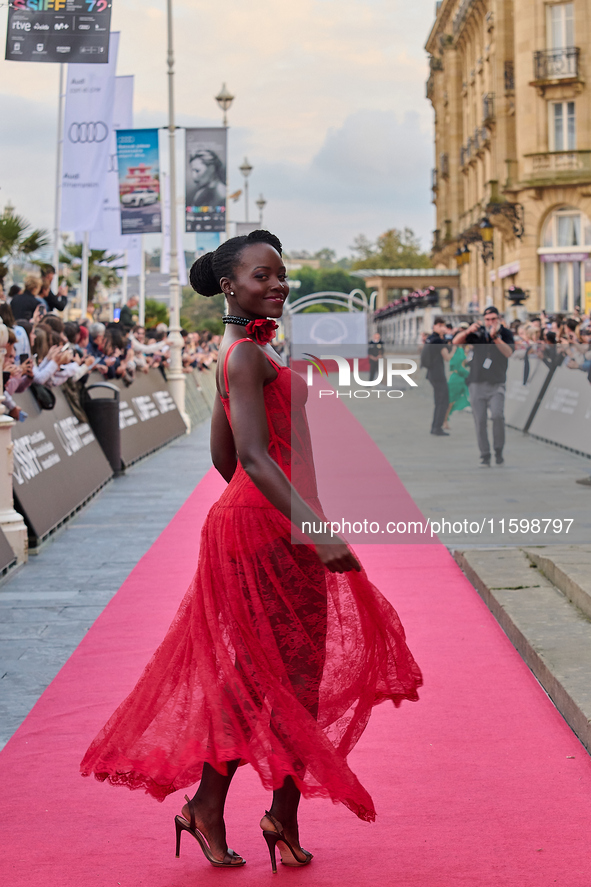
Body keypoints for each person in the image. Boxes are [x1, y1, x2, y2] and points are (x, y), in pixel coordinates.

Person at [80, 229, 422, 870]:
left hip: (264, 524)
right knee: (277, 677)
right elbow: (254, 458)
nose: (278, 285)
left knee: (287, 676)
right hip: (274, 532)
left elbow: (225, 458)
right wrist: (308, 529)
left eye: (281, 275)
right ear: (231, 286)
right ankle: (228, 810)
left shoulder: (240, 351)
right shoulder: (243, 356)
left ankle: (266, 815)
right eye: (263, 276)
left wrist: (266, 508)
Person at [452, 305, 514, 466]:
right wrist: (468, 331)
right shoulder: (478, 333)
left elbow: (508, 353)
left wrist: (495, 338)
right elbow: (455, 341)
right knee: (480, 420)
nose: (490, 322)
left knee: (497, 416)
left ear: (499, 319)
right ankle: (485, 454)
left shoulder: (505, 334)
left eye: (493, 319)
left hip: (497, 382)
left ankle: (498, 450)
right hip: (476, 382)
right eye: (487, 319)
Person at [421, 316, 450, 436]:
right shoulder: (438, 340)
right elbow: (447, 357)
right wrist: (454, 348)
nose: (442, 328)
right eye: (440, 326)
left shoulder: (430, 338)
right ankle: (437, 427)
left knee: (439, 400)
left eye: (443, 326)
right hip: (438, 373)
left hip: (431, 373)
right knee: (443, 401)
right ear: (434, 326)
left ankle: (435, 426)